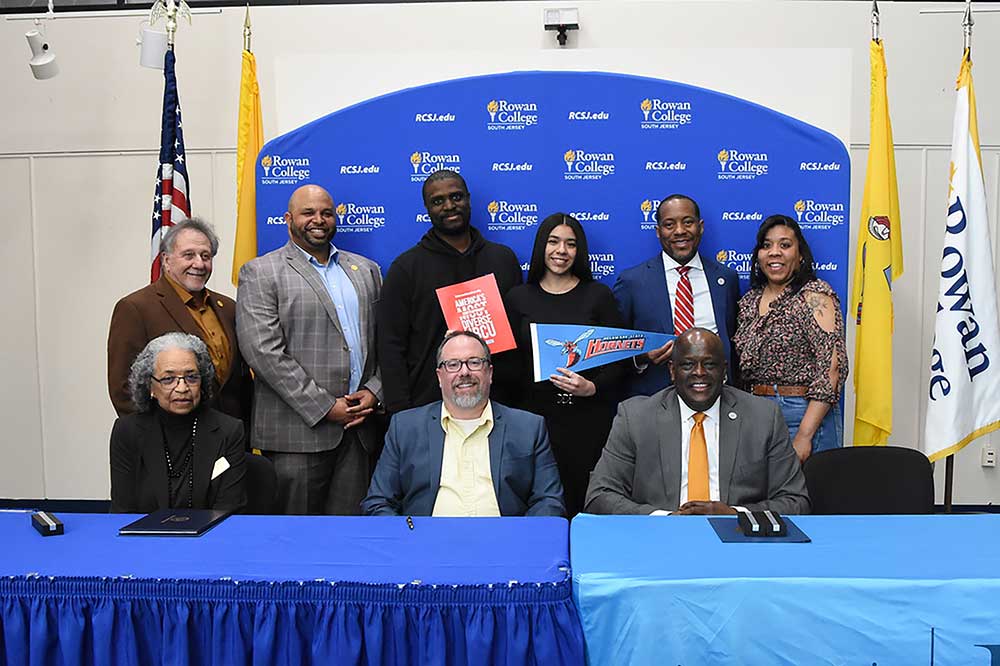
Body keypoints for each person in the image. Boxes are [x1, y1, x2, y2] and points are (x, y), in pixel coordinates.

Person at [237, 184, 382, 515]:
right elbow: (263, 352)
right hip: (296, 436)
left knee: (350, 543)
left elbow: (385, 341)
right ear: (288, 219)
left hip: (358, 431)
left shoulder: (367, 270)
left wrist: (374, 392)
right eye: (308, 213)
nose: (319, 219)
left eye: (326, 213)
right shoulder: (261, 272)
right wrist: (325, 407)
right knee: (294, 544)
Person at [584, 328, 809, 515]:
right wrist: (664, 518)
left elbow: (796, 501)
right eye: (688, 365)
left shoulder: (763, 416)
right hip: (660, 543)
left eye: (710, 364)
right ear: (672, 371)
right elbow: (599, 496)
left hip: (739, 544)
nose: (699, 373)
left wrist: (735, 514)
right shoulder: (636, 417)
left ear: (724, 371)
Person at [362, 331, 565, 517]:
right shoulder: (405, 427)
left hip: (503, 548)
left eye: (474, 362)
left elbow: (549, 501)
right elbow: (378, 502)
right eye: (453, 364)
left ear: (490, 372)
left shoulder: (528, 427)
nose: (464, 372)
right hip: (427, 548)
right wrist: (410, 542)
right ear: (439, 377)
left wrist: (519, 541)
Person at [505, 213, 624, 516]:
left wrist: (592, 387)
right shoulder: (518, 298)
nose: (562, 251)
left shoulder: (598, 295)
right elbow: (506, 364)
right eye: (554, 241)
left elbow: (618, 360)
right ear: (541, 247)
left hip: (587, 421)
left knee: (584, 505)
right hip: (532, 420)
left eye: (571, 244)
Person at [377, 169, 523, 414]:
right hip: (429, 408)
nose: (449, 206)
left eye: (456, 197)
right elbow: (391, 346)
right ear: (426, 208)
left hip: (499, 405)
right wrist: (401, 413)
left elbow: (519, 335)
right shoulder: (406, 268)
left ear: (468, 199)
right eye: (437, 201)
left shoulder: (503, 260)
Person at [108, 218, 252, 424]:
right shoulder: (136, 308)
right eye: (188, 255)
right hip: (171, 440)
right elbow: (124, 389)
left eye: (205, 256)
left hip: (231, 438)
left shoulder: (228, 307)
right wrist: (154, 441)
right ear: (166, 260)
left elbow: (239, 382)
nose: (199, 264)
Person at [734, 214, 848, 461]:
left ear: (800, 256)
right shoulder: (748, 302)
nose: (774, 252)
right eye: (766, 245)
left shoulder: (815, 296)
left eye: (785, 245)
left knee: (811, 495)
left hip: (802, 413)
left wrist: (804, 435)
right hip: (755, 414)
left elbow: (832, 367)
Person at [612, 194, 740, 397]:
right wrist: (642, 357)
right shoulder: (632, 282)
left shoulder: (725, 279)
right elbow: (613, 349)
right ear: (658, 231)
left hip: (717, 397)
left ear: (701, 226)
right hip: (656, 401)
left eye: (688, 222)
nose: (680, 231)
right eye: (669, 224)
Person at [110, 333, 247, 513]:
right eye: (168, 379)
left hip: (210, 537)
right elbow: (122, 511)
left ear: (203, 381)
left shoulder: (229, 431)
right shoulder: (127, 432)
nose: (182, 388)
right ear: (150, 386)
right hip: (147, 538)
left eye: (191, 377)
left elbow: (229, 510)